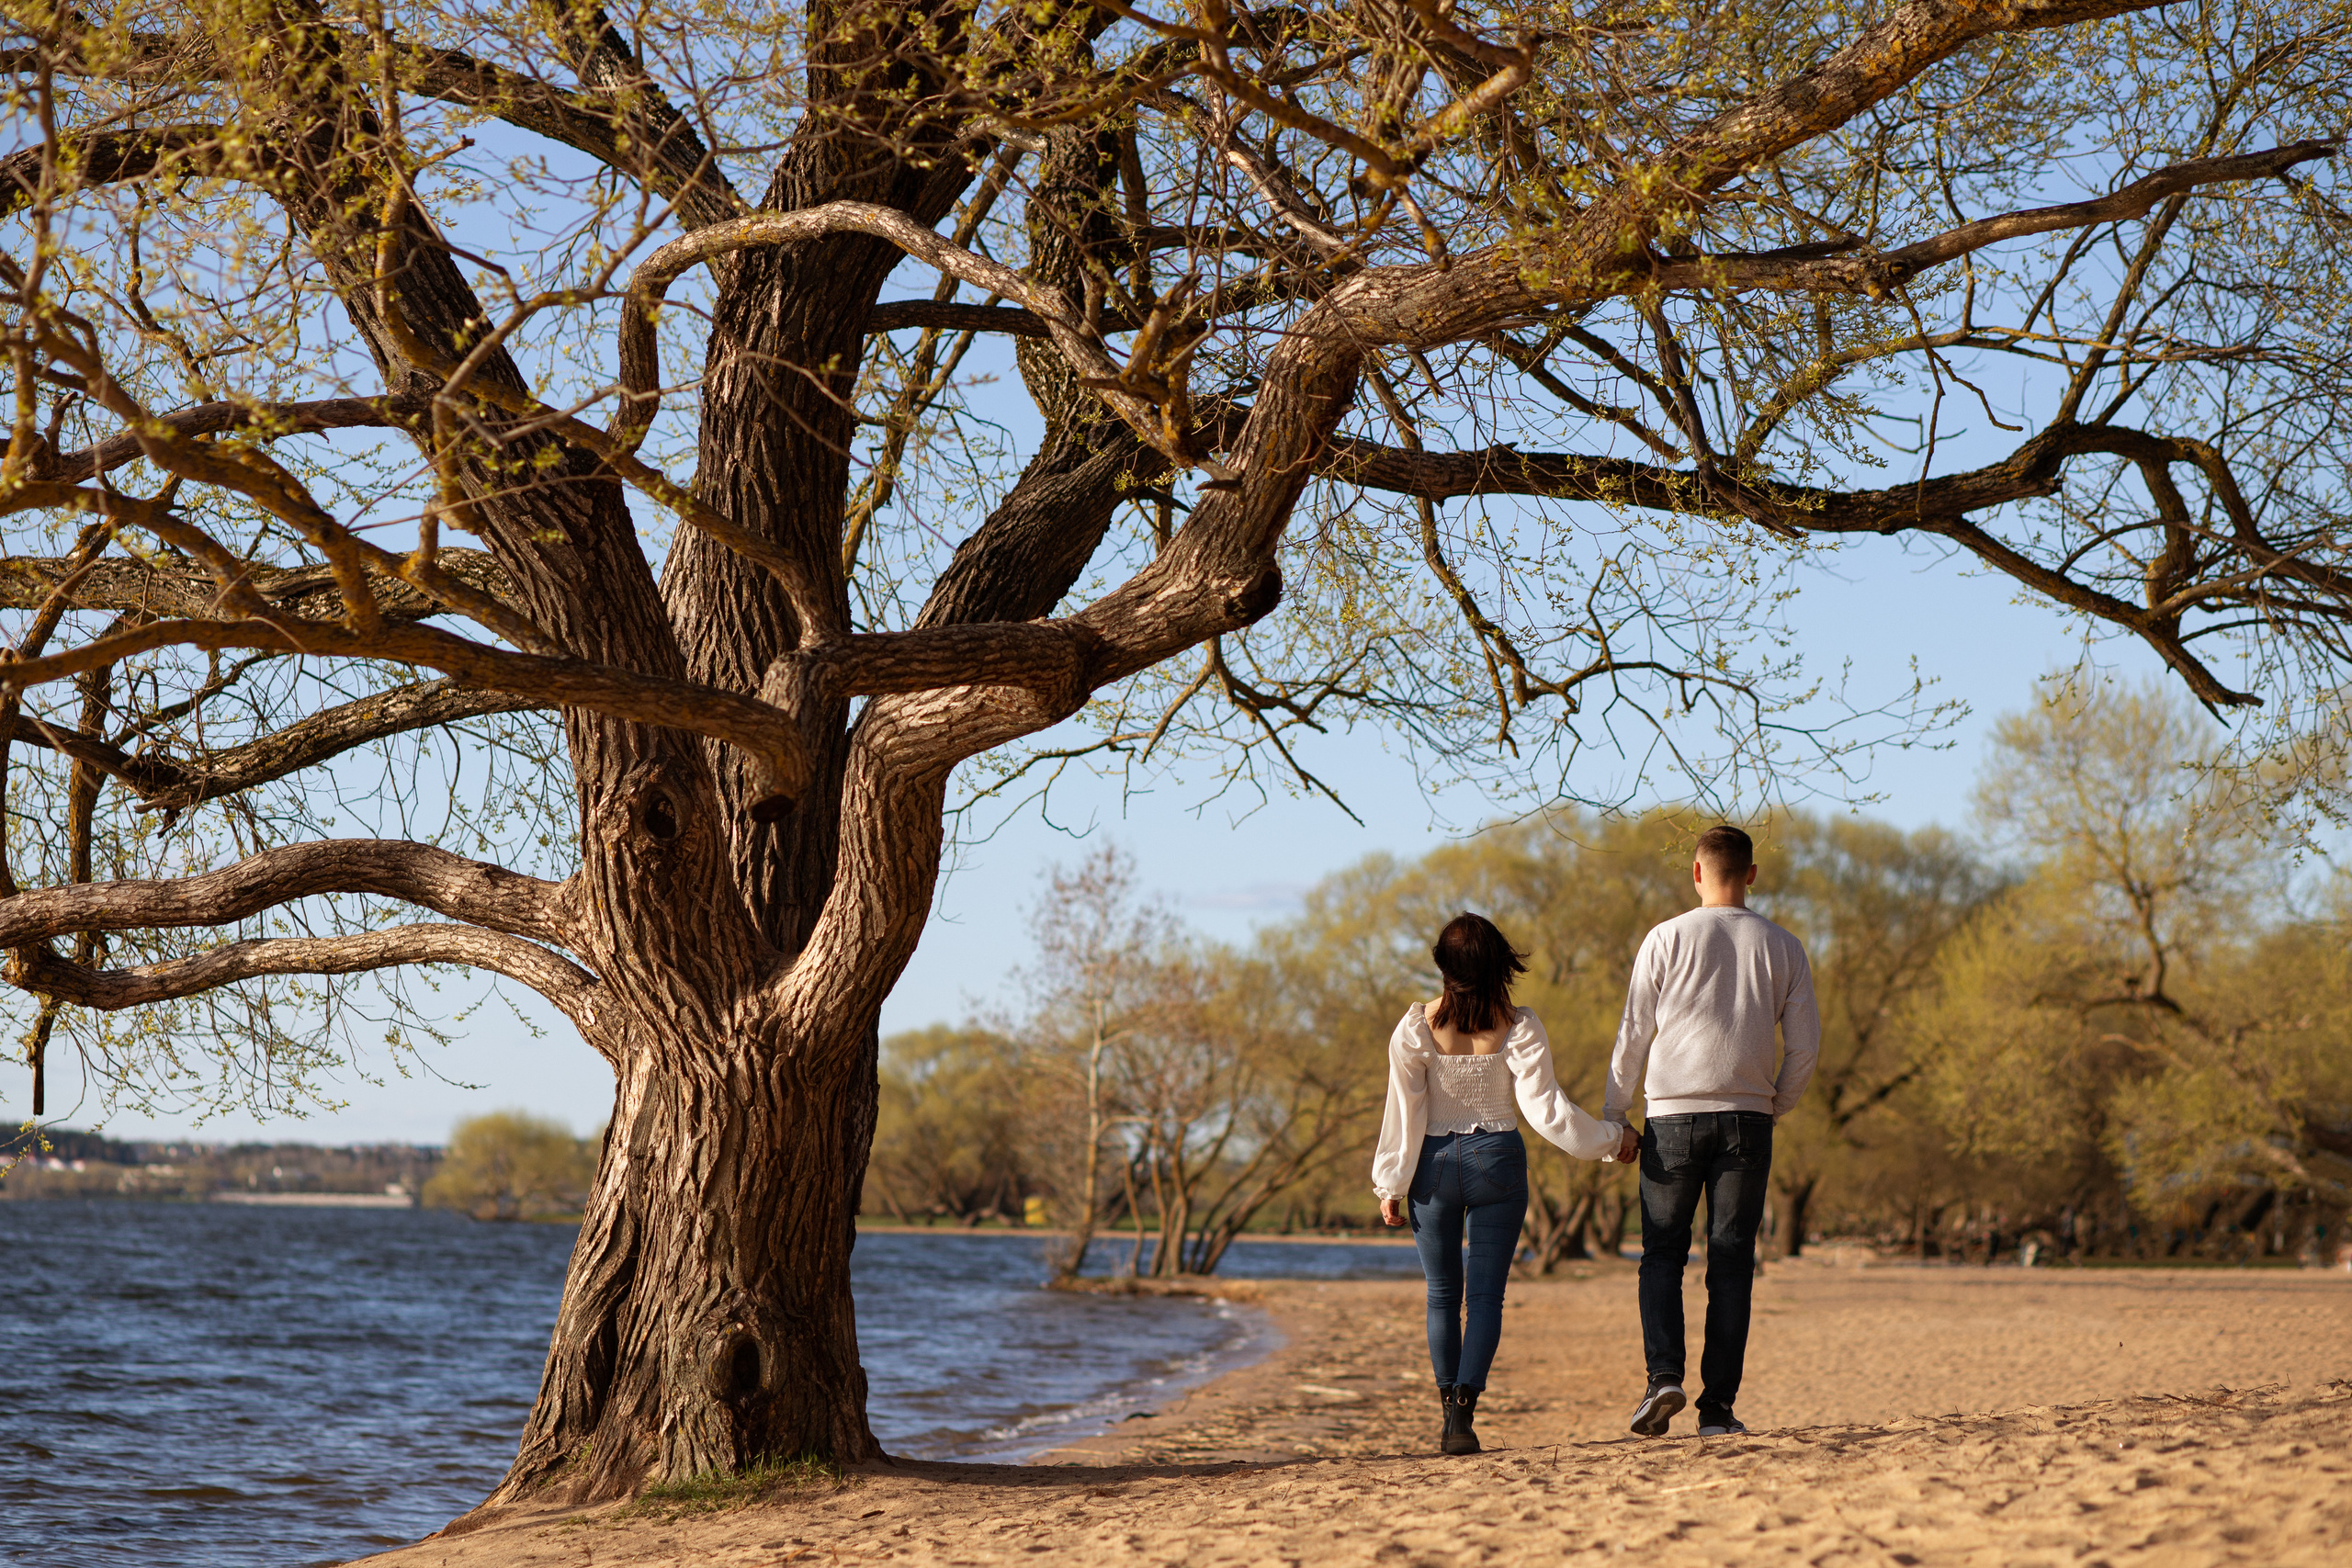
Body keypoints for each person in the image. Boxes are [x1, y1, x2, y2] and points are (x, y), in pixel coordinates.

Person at [1373, 911, 1621, 1456]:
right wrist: (1610, 1140)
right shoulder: (1520, 1025)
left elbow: (1404, 1114)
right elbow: (1547, 1112)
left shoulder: (1415, 1027)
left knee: (1442, 1296)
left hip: (1432, 1166)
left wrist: (1391, 1181)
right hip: (1498, 1161)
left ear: (1443, 963)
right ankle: (1464, 1416)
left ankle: (1445, 1418)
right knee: (1485, 1297)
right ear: (1499, 963)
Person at [1603, 824, 1819, 1439]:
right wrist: (1775, 1103)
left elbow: (1633, 1036)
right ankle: (1717, 1409)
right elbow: (1805, 1048)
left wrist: (1615, 1116)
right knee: (1731, 1263)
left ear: (1696, 873)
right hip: (1748, 1118)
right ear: (1751, 874)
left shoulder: (1664, 939)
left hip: (1670, 1117)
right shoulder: (1786, 947)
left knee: (1661, 1255)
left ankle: (1662, 1377)